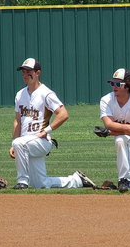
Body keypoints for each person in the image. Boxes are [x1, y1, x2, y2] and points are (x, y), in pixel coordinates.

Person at [9, 58, 95, 190]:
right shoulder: (20, 95)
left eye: (29, 72)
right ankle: (76, 180)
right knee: (40, 184)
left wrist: (46, 131)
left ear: (38, 73)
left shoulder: (46, 93)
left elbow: (63, 114)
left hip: (41, 141)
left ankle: (22, 182)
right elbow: (18, 121)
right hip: (26, 143)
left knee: (20, 143)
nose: (25, 75)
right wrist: (13, 142)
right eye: (23, 72)